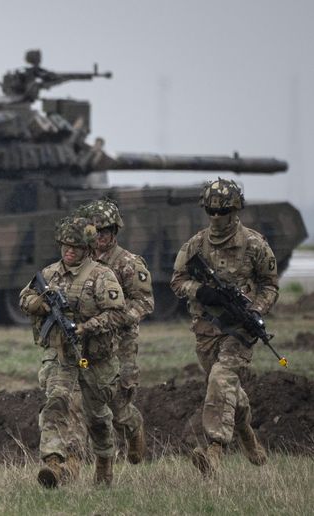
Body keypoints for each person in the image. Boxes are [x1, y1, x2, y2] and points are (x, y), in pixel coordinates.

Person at [171, 178, 276, 477]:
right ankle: (247, 436)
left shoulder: (255, 244)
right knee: (228, 390)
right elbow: (177, 280)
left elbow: (270, 285)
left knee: (221, 378)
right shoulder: (195, 245)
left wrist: (255, 310)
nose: (216, 217)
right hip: (206, 331)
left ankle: (214, 451)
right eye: (211, 211)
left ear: (236, 209)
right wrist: (200, 291)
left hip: (240, 332)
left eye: (223, 211)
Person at [19, 216, 129, 488]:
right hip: (61, 356)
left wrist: (87, 327)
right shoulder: (49, 274)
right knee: (56, 401)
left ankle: (104, 461)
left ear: (88, 249)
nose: (69, 251)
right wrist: (40, 304)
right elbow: (24, 298)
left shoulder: (102, 276)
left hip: (94, 358)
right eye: (65, 246)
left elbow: (118, 314)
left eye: (76, 247)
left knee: (97, 418)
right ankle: (54, 463)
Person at [77, 199, 154, 463]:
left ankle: (133, 430)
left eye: (105, 231)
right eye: (93, 231)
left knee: (118, 403)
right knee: (87, 402)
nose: (99, 237)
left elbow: (144, 302)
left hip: (120, 342)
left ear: (114, 232)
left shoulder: (128, 263)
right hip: (88, 342)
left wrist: (115, 318)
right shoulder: (80, 263)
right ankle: (100, 458)